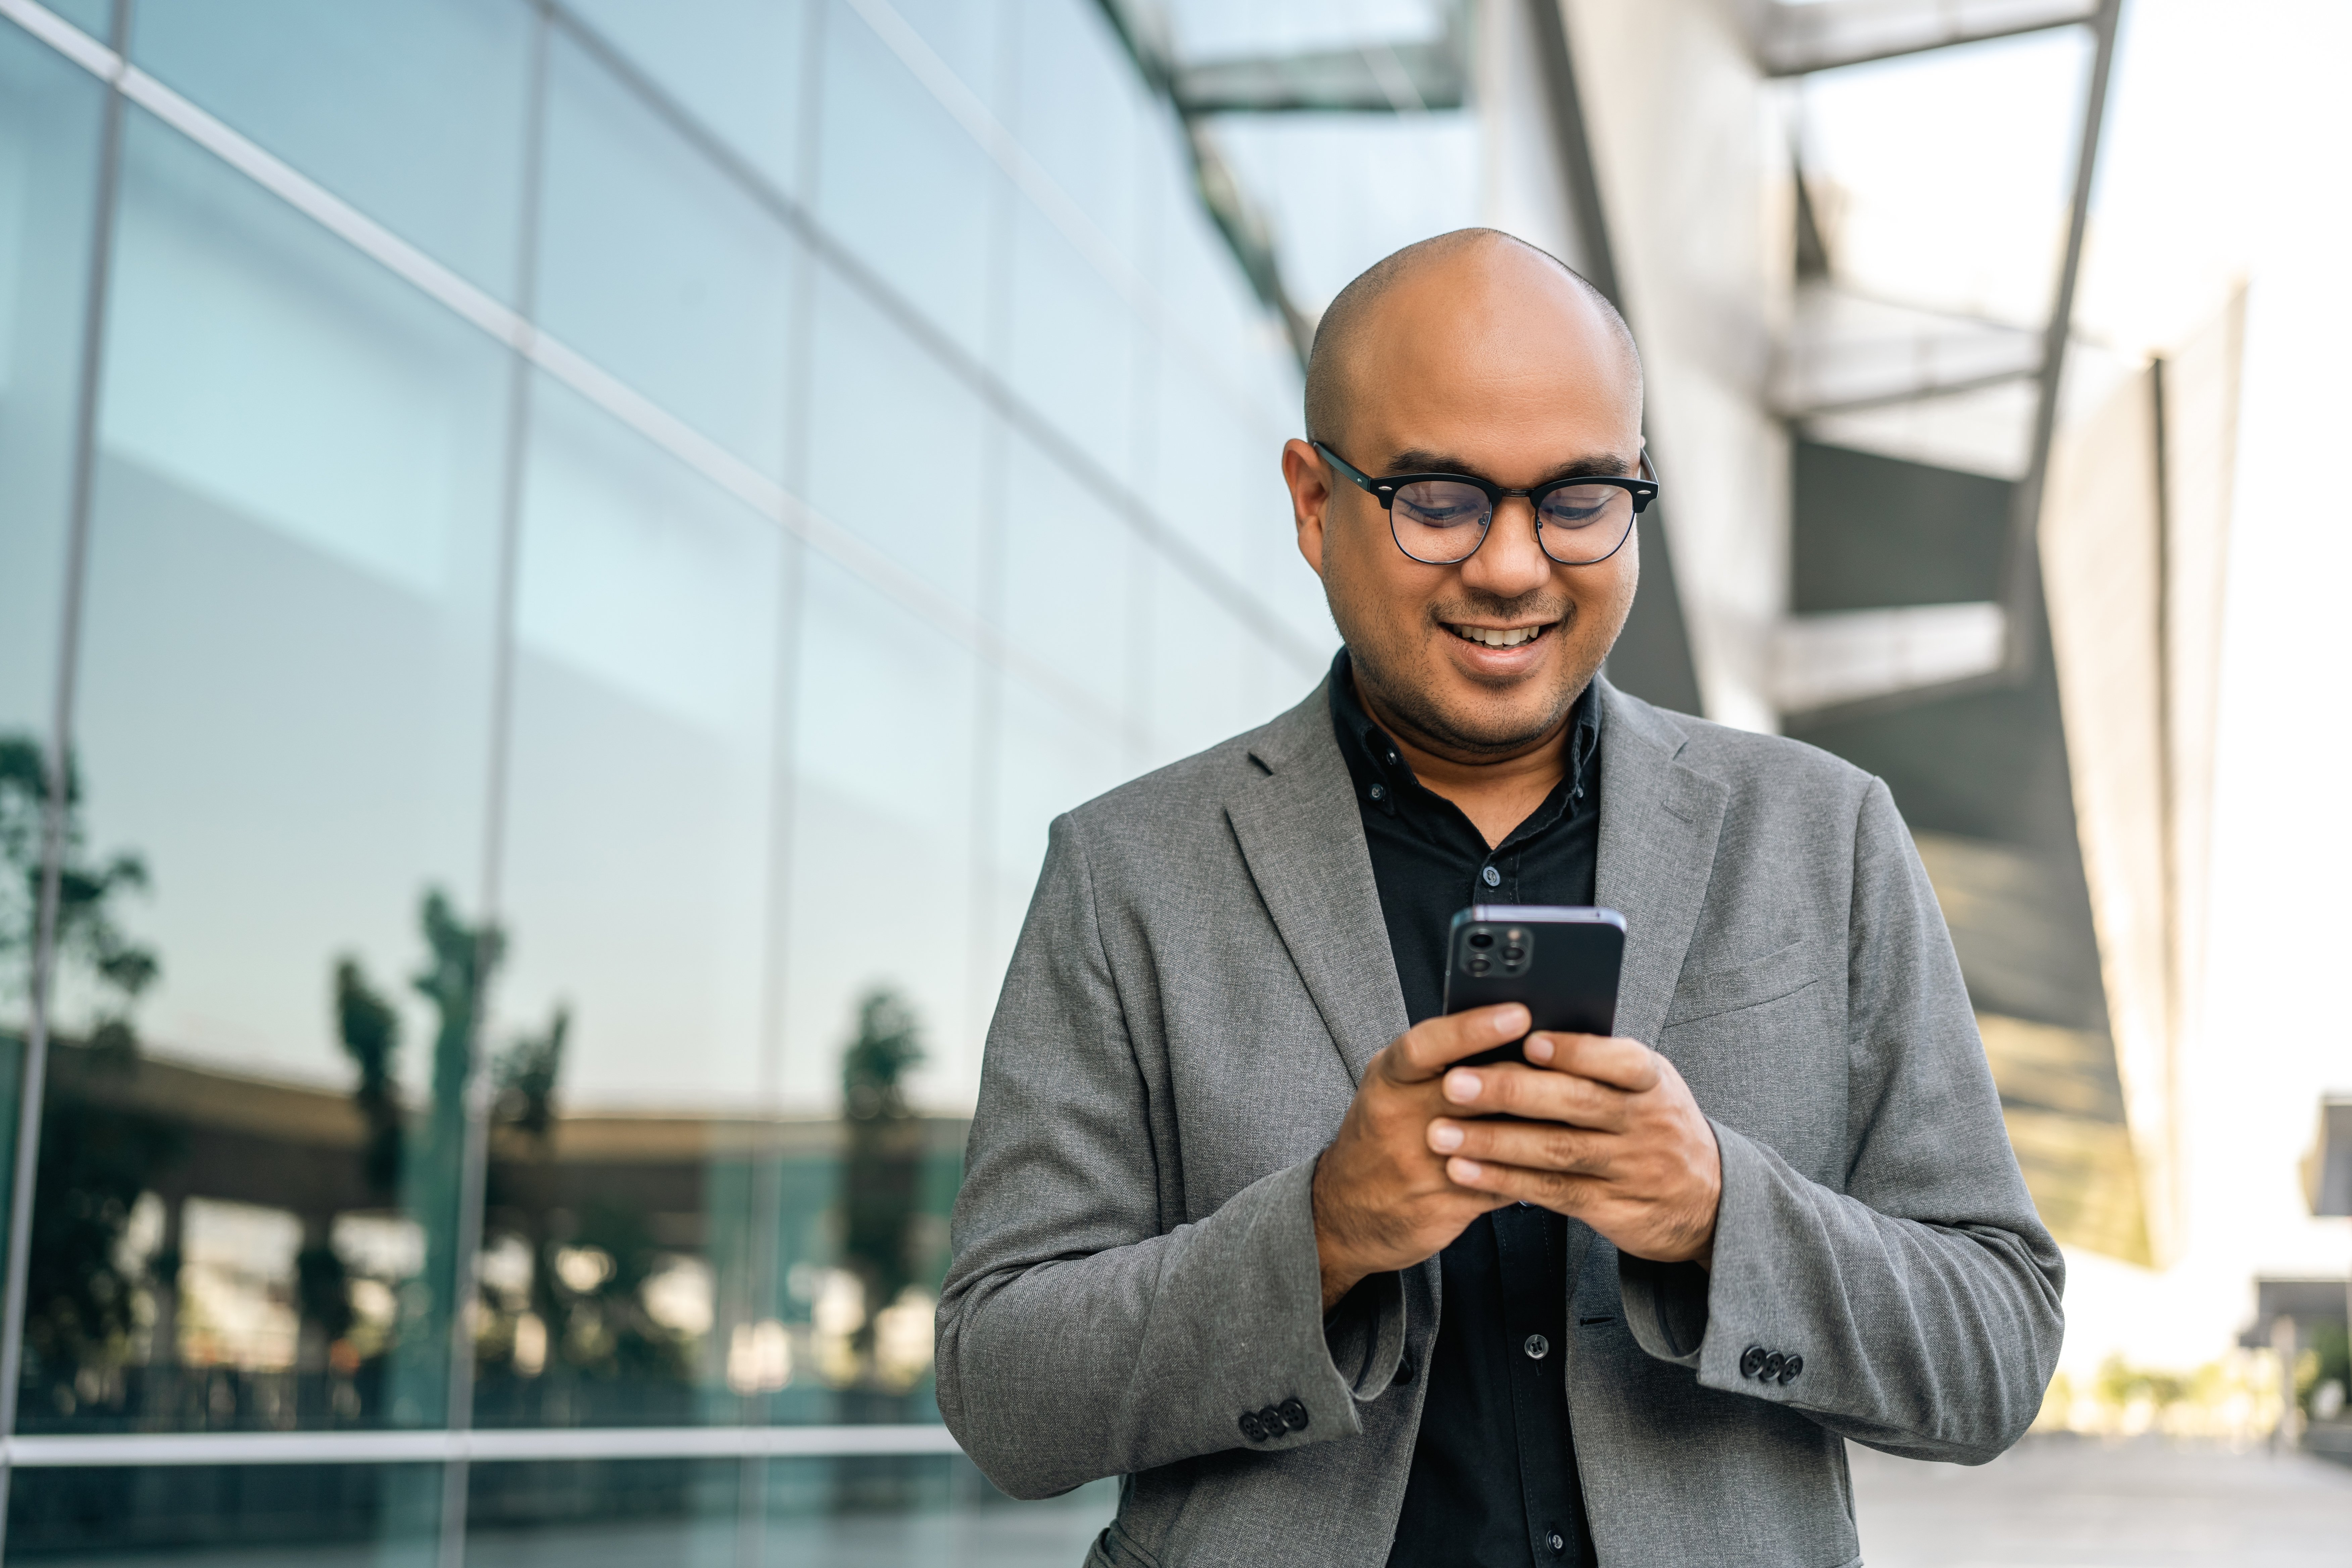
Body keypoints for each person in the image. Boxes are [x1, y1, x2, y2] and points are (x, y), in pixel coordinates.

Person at [935, 228, 2063, 1567]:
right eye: (1439, 496)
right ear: (1313, 501)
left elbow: (1995, 1345)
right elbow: (1004, 1386)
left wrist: (1717, 1215)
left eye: (1579, 497)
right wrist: (1320, 1234)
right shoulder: (1128, 873)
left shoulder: (1827, 837)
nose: (1516, 565)